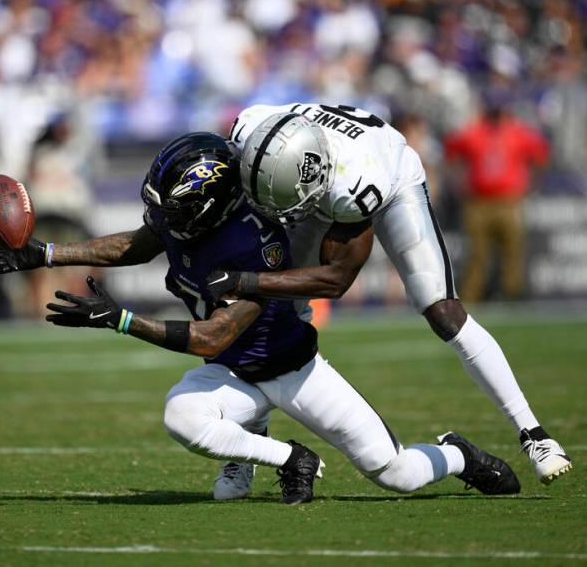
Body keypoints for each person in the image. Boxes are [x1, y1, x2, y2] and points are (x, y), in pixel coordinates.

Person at [0, 133, 520, 503]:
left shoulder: (256, 249)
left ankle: (457, 455)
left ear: (209, 208)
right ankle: (288, 457)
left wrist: (119, 320)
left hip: (292, 373)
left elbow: (212, 334)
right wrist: (42, 254)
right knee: (181, 417)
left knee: (395, 473)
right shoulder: (192, 218)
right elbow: (137, 245)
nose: (162, 220)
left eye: (172, 210)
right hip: (235, 375)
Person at [211, 103, 570, 485]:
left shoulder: (358, 183)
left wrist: (247, 281)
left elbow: (335, 279)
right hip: (320, 176)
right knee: (268, 310)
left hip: (391, 178)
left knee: (443, 311)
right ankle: (250, 442)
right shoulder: (252, 129)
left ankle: (534, 434)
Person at [444, 97, 550, 301]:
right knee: (477, 253)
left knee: (512, 250)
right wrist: (459, 184)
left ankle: (512, 293)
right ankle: (472, 296)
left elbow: (541, 155)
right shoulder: (473, 131)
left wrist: (530, 185)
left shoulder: (518, 132)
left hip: (508, 200)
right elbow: (451, 153)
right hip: (478, 202)